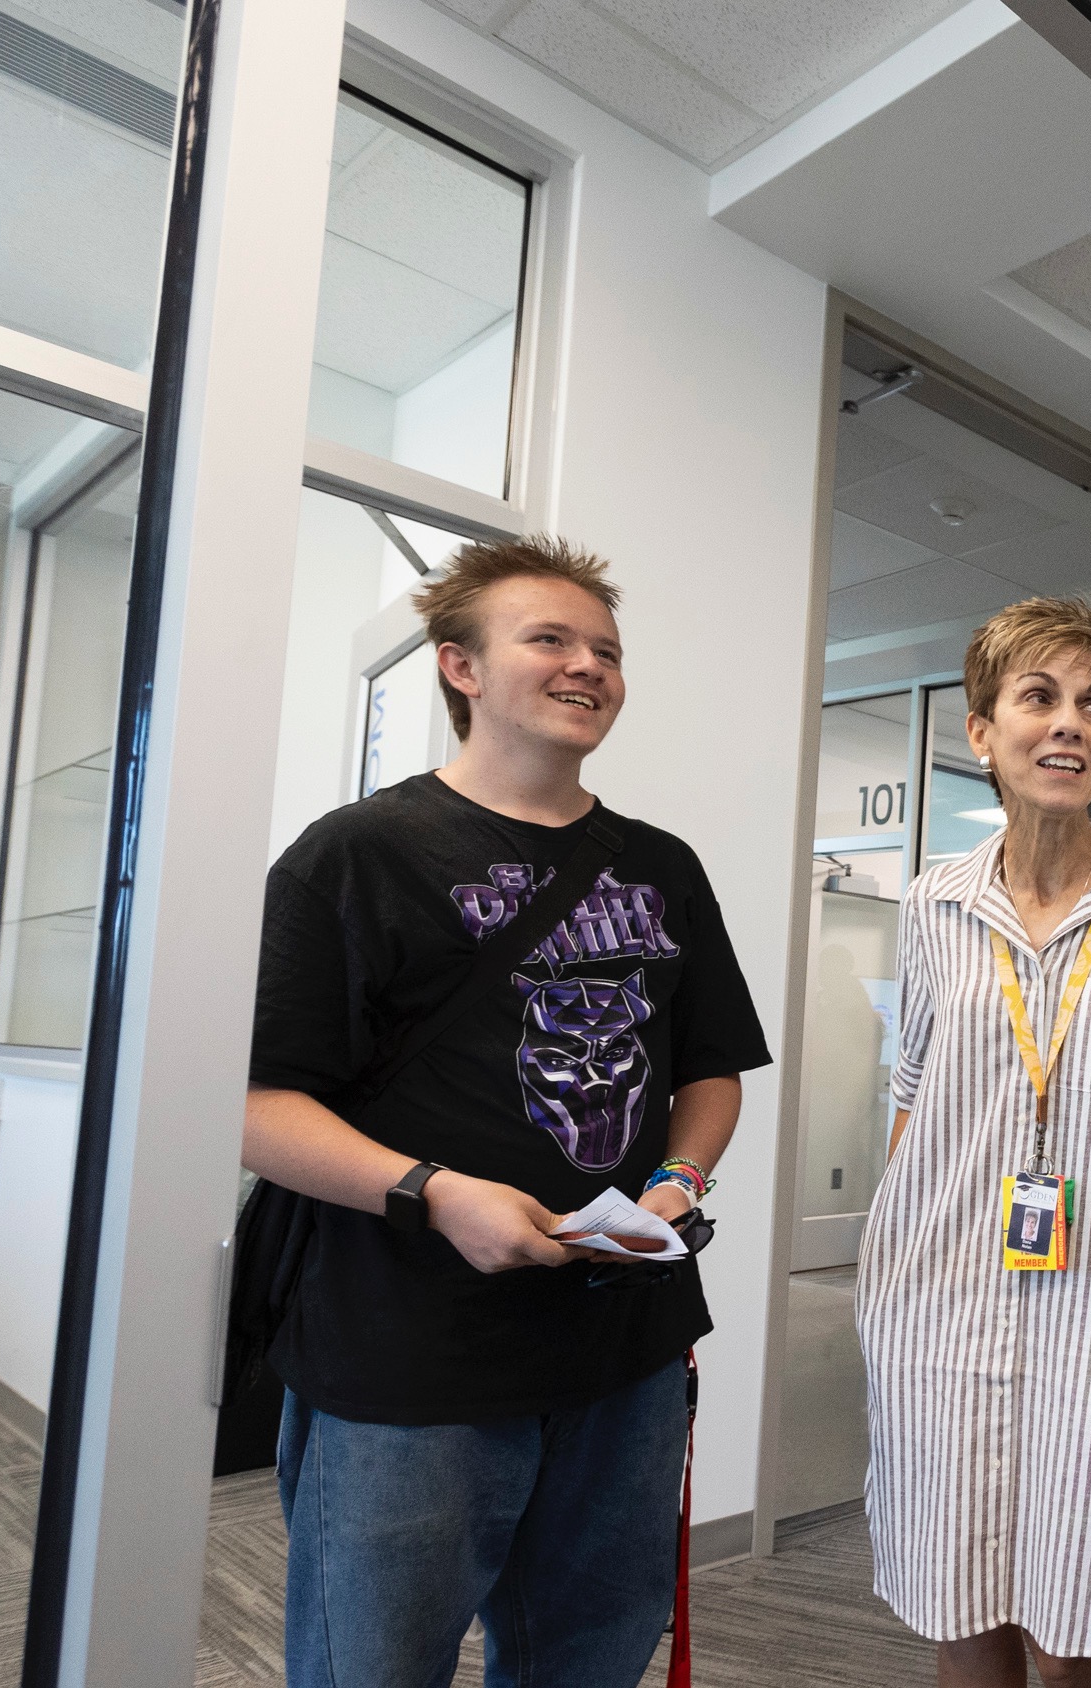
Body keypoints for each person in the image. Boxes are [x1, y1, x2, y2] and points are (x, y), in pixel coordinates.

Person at [245, 535, 770, 1687]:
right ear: (462, 667)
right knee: (373, 1664)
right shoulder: (357, 854)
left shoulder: (661, 865)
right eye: (551, 639)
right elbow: (258, 1106)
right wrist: (436, 1194)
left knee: (586, 1656)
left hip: (623, 1343)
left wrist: (680, 1183)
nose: (589, 666)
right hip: (409, 1351)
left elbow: (712, 1069)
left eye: (608, 650)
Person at [857, 596, 1091, 1688]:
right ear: (982, 731)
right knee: (964, 1613)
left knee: (1082, 1637)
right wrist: (890, 1266)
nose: (1070, 724)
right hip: (940, 1310)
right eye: (1039, 697)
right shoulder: (932, 905)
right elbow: (913, 1091)